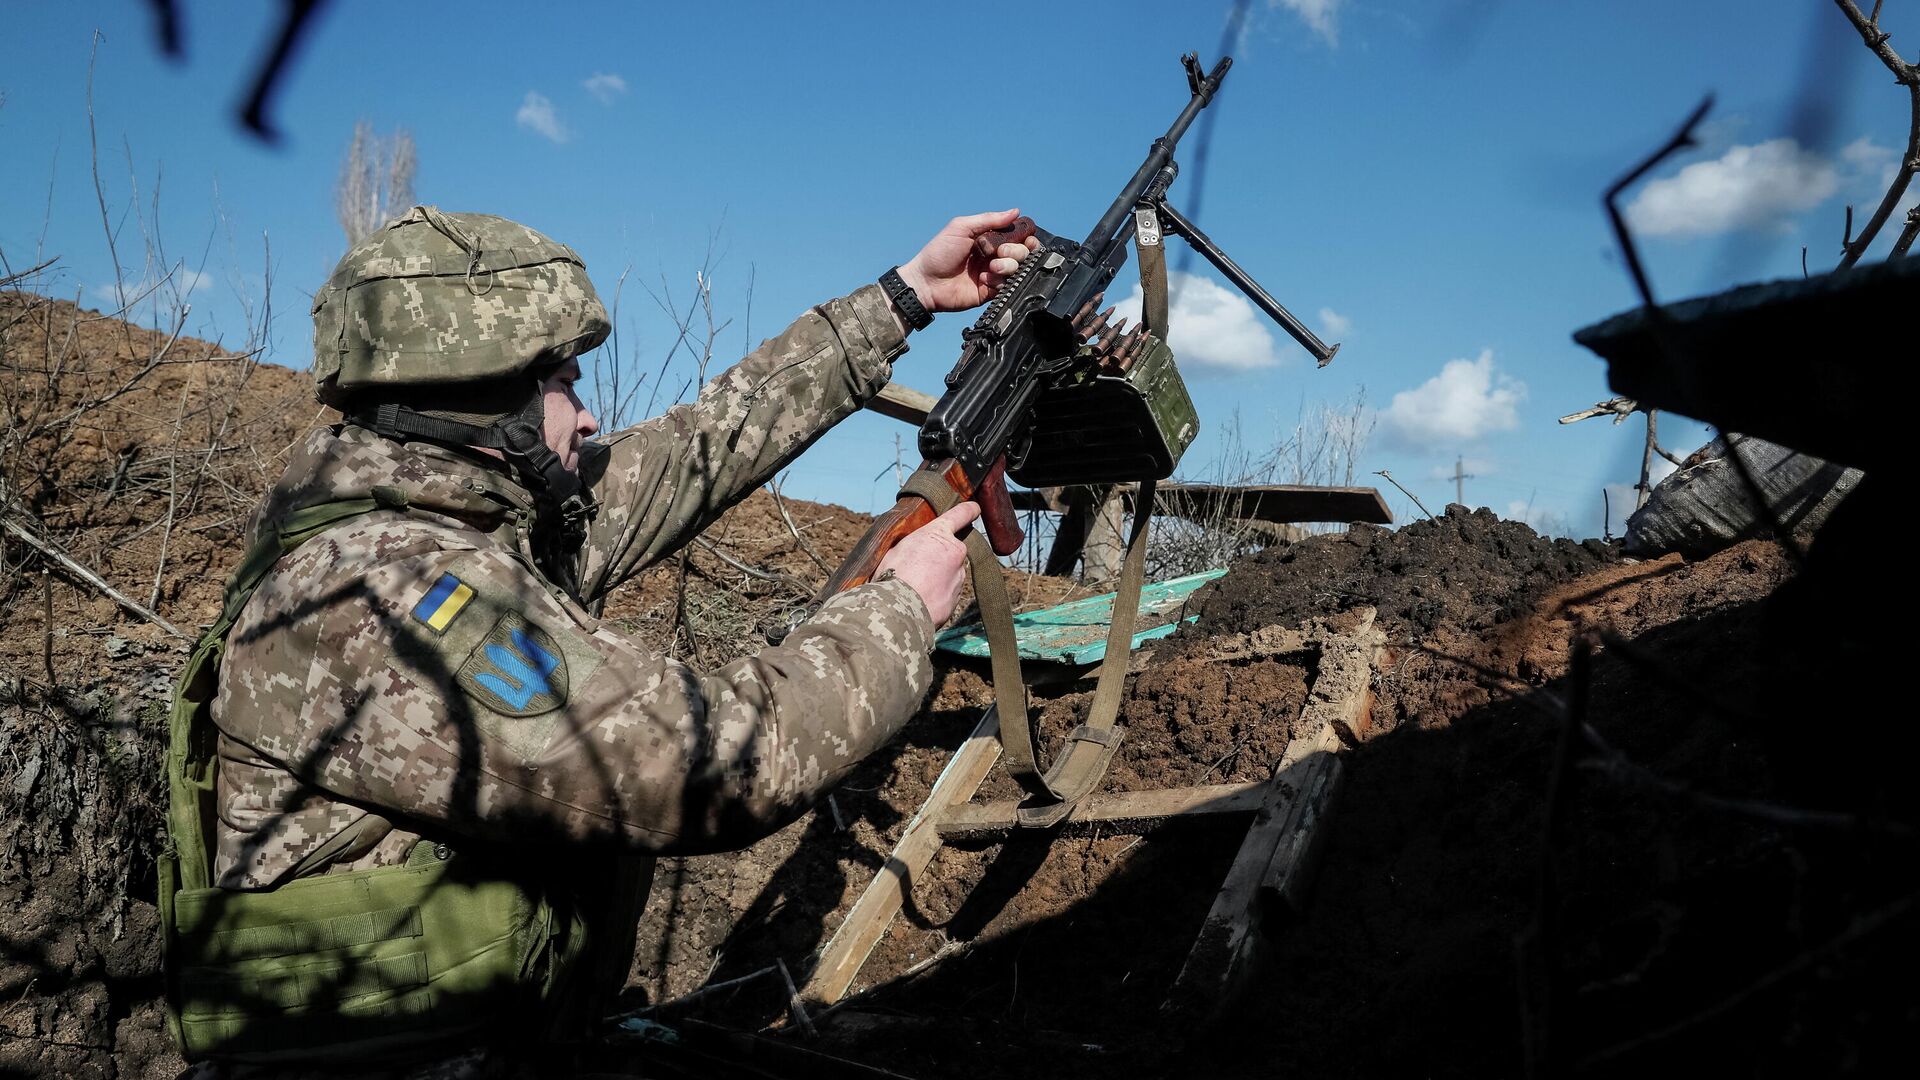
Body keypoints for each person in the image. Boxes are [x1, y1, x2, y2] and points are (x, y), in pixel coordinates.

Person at [160, 204, 1038, 1070]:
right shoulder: (385, 591)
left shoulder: (474, 514)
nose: (586, 418)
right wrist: (895, 613)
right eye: (564, 384)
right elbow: (709, 766)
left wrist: (905, 295)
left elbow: (704, 447)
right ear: (482, 399)